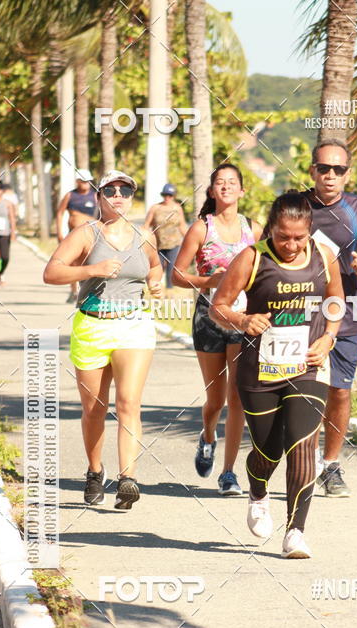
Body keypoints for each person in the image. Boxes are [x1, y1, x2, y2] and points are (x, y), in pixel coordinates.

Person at [210, 192, 344, 559]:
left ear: (310, 231)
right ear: (271, 230)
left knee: (302, 444)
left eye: (299, 237)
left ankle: (295, 532)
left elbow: (336, 302)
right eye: (284, 236)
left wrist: (329, 337)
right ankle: (257, 491)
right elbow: (217, 307)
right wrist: (242, 319)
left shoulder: (324, 257)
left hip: (308, 366)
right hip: (259, 370)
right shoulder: (252, 258)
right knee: (267, 451)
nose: (291, 244)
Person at [43, 170, 162, 509]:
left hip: (133, 325)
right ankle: (95, 472)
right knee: (95, 409)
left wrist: (154, 282)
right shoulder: (86, 234)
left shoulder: (144, 235)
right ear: (99, 197)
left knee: (128, 402)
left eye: (126, 190)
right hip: (92, 325)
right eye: (110, 190)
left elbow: (154, 267)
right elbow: (51, 272)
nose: (118, 195)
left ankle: (128, 479)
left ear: (132, 197)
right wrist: (90, 270)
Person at [301, 139, 357, 497]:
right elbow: (267, 249)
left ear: (347, 173)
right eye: (324, 168)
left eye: (338, 169)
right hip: (299, 313)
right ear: (312, 171)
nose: (331, 176)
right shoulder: (294, 206)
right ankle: (301, 464)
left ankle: (331, 465)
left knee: (339, 391)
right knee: (304, 393)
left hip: (346, 315)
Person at [172, 164, 262, 496]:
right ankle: (208, 435)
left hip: (242, 318)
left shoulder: (254, 230)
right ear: (212, 192)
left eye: (232, 183)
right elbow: (176, 275)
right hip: (207, 317)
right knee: (216, 398)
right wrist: (208, 281)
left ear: (242, 191)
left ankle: (228, 473)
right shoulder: (200, 228)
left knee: (237, 397)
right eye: (219, 183)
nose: (225, 187)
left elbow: (266, 271)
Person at [56, 169, 99, 303]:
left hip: (92, 235)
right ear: (77, 182)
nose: (86, 184)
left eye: (87, 181)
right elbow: (60, 213)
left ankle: (91, 292)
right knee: (73, 264)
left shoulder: (95, 196)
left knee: (90, 263)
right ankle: (74, 291)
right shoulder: (70, 196)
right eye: (83, 181)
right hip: (73, 235)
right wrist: (59, 232)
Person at [144, 183, 187, 287]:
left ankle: (170, 290)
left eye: (170, 195)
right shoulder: (155, 208)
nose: (167, 198)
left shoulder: (178, 208)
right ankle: (153, 288)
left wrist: (190, 241)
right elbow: (146, 226)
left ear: (174, 196)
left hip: (174, 244)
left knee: (171, 268)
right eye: (165, 195)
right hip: (158, 245)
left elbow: (182, 226)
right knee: (157, 267)